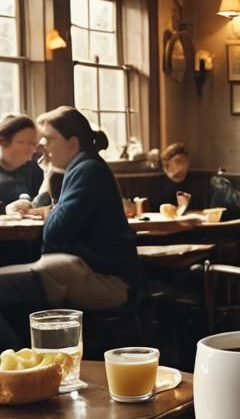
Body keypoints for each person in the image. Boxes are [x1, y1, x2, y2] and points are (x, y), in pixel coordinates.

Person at [0, 106, 141, 349]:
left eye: (49, 139)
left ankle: (14, 362)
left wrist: (49, 182)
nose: (42, 147)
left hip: (108, 281)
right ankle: (20, 358)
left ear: (73, 143)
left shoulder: (87, 170)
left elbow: (53, 233)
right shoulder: (83, 168)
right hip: (86, 268)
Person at [0, 114, 43, 211]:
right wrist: (6, 208)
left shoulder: (37, 168)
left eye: (32, 143)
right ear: (3, 142)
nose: (30, 149)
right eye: (21, 142)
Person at [157, 142, 205, 211]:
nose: (183, 166)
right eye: (178, 161)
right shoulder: (158, 184)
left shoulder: (197, 182)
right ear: (167, 164)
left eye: (186, 161)